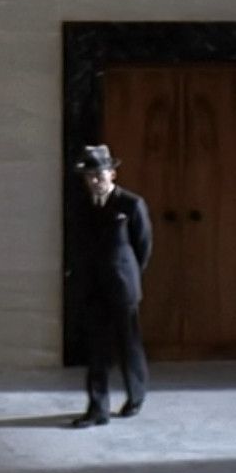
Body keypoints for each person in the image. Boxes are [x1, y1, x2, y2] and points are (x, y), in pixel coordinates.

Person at [68, 144, 151, 428]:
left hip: (122, 286)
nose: (94, 181)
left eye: (99, 175)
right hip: (93, 286)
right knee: (97, 349)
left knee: (129, 345)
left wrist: (129, 276)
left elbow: (143, 247)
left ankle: (136, 396)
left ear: (112, 174)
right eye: (89, 176)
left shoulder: (131, 204)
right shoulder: (81, 206)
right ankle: (98, 408)